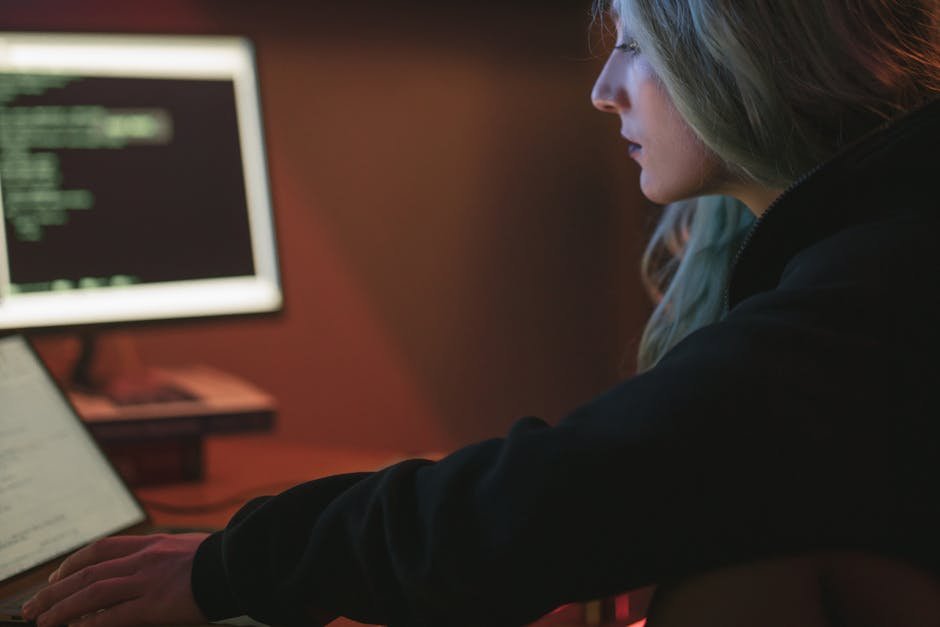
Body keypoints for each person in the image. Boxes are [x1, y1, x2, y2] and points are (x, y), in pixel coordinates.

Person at [22, 1, 940, 625]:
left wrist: (226, 568)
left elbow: (579, 487)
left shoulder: (882, 279)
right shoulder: (879, 243)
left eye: (634, 43)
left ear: (745, 57)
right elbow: (638, 478)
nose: (603, 87)